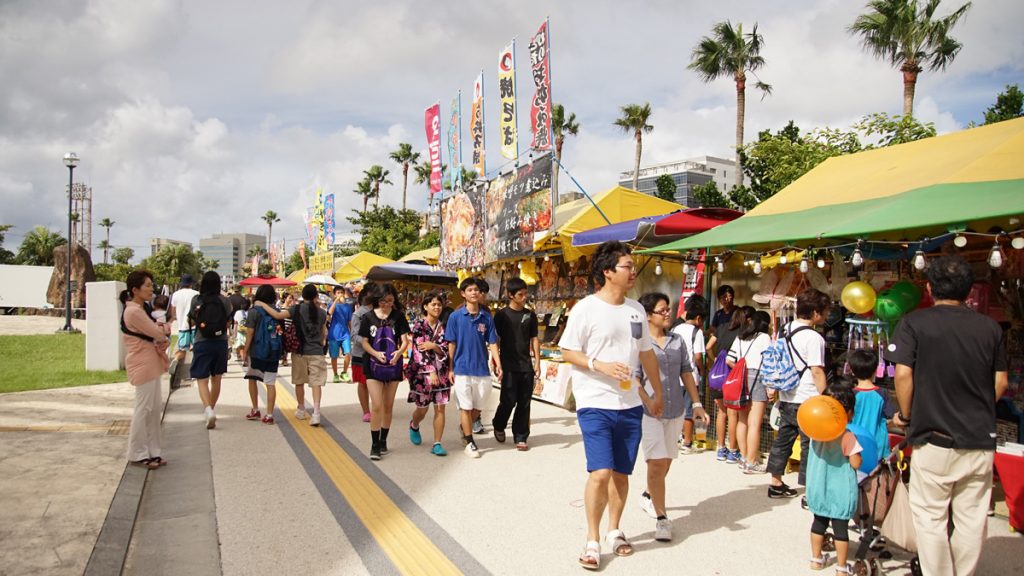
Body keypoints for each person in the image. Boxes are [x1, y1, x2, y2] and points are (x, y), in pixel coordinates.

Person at [885, 254, 1008, 576]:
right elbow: (1000, 382)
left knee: (930, 517)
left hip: (933, 437)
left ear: (928, 288)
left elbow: (902, 375)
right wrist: (979, 404)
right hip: (980, 437)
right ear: (969, 290)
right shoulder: (990, 328)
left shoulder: (914, 323)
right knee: (972, 517)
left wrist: (906, 414)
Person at [558, 240, 664, 570]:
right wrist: (598, 365)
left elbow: (646, 353)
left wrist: (656, 392)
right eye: (627, 266)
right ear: (607, 271)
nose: (633, 271)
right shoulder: (586, 308)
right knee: (600, 472)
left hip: (629, 403)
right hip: (594, 402)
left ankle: (614, 530)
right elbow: (566, 351)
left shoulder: (635, 310)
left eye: (633, 266)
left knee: (620, 473)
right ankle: (592, 539)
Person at [635, 292, 707, 543]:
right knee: (655, 462)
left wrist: (697, 404)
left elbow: (686, 372)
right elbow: (634, 379)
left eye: (668, 309)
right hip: (649, 413)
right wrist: (648, 399)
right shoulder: (640, 344)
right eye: (662, 310)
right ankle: (662, 518)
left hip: (676, 409)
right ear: (648, 316)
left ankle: (648, 494)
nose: (668, 314)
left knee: (666, 460)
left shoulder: (677, 340)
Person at [766, 288, 830, 499]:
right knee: (810, 445)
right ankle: (810, 491)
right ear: (815, 313)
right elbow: (817, 370)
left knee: (783, 439)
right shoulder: (814, 338)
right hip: (808, 398)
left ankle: (776, 482)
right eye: (825, 311)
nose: (827, 315)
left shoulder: (784, 330)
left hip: (787, 396)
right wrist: (826, 397)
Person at [806, 379, 863, 574]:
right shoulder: (847, 436)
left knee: (818, 524)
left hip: (819, 487)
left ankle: (815, 558)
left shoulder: (815, 433)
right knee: (841, 531)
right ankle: (840, 567)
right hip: (840, 491)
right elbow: (856, 463)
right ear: (847, 412)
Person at [445, 277, 502, 459]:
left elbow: (492, 342)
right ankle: (470, 441)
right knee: (466, 407)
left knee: (478, 406)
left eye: (476, 290)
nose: (474, 293)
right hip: (461, 369)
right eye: (469, 290)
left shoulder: (486, 316)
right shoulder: (455, 317)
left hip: (482, 369)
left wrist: (498, 364)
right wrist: (450, 367)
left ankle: (465, 426)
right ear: (463, 294)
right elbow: (451, 344)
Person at [120, 269, 170, 469]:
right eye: (147, 286)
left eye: (151, 285)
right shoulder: (134, 311)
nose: (151, 289)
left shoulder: (141, 309)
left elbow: (159, 331)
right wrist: (163, 332)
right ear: (135, 289)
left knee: (153, 409)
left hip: (150, 362)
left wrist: (162, 332)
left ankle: (152, 451)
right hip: (143, 363)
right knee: (144, 409)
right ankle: (138, 452)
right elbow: (157, 332)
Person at [359, 283, 411, 461]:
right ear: (376, 300)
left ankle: (383, 440)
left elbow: (405, 340)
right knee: (377, 405)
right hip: (373, 365)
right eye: (382, 301)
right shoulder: (367, 317)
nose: (386, 304)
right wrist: (375, 354)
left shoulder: (399, 316)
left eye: (390, 301)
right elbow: (364, 342)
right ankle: (374, 444)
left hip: (394, 365)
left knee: (388, 406)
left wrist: (399, 353)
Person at [492, 277, 540, 451]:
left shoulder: (530, 315)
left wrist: (537, 362)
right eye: (520, 294)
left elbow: (534, 338)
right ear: (510, 295)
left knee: (524, 402)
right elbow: (494, 340)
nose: (524, 297)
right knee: (508, 400)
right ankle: (498, 423)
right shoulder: (501, 315)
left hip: (526, 365)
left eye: (526, 293)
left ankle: (521, 436)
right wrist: (496, 361)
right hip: (508, 364)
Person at [406, 290, 452, 456]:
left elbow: (447, 348)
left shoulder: (444, 327)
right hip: (422, 374)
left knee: (440, 408)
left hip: (442, 373)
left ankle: (437, 443)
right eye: (433, 304)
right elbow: (418, 351)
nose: (437, 307)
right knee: (422, 409)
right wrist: (430, 371)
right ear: (425, 306)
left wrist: (435, 347)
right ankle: (414, 424)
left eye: (439, 304)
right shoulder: (419, 326)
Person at [728, 310, 773, 474]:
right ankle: (752, 462)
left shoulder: (740, 337)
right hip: (758, 377)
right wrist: (770, 386)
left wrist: (740, 370)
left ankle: (745, 457)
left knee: (743, 420)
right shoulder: (764, 338)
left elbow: (730, 359)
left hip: (741, 377)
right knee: (755, 422)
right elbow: (769, 362)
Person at [187, 271, 233, 430]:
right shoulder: (225, 301)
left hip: (202, 342)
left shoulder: (196, 300)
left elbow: (192, 320)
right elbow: (228, 323)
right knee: (217, 379)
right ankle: (211, 409)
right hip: (220, 343)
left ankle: (207, 410)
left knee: (202, 379)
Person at [671, 295, 709, 454]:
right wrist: (702, 369)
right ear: (699, 318)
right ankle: (687, 442)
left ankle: (678, 438)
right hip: (691, 376)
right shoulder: (697, 332)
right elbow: (698, 356)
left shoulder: (675, 328)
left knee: (678, 409)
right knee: (690, 409)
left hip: (675, 375)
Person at [242, 285, 281, 425]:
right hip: (273, 350)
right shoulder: (277, 311)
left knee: (252, 379)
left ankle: (255, 409)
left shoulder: (253, 312)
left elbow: (250, 333)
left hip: (257, 351)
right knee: (270, 382)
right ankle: (269, 415)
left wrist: (245, 351)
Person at [848, 348, 892, 466]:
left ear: (852, 370)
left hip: (854, 446)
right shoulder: (882, 393)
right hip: (877, 446)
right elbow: (890, 418)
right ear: (875, 370)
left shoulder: (850, 394)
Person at [350, 282, 377, 423]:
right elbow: (354, 335)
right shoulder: (358, 314)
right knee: (363, 382)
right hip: (361, 354)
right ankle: (366, 411)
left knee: (377, 382)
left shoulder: (381, 311)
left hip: (377, 354)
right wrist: (369, 342)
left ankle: (377, 408)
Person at [167, 273, 199, 377]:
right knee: (196, 351)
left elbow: (173, 311)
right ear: (191, 284)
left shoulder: (175, 294)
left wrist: (175, 318)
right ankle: (194, 372)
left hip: (182, 327)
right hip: (194, 326)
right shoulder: (196, 293)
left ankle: (176, 359)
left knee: (182, 349)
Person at [472, 277, 492, 435]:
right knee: (470, 393)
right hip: (464, 361)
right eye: (482, 293)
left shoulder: (487, 312)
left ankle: (474, 418)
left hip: (481, 358)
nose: (483, 296)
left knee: (481, 392)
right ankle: (470, 422)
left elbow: (491, 338)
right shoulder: (460, 311)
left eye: (483, 293)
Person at [328, 286, 354, 383]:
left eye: (341, 292)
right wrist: (336, 301)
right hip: (333, 334)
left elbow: (349, 321)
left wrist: (352, 333)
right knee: (334, 356)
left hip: (345, 334)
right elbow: (329, 313)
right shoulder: (331, 304)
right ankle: (335, 374)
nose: (340, 294)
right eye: (338, 292)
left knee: (347, 353)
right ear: (335, 294)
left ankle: (344, 372)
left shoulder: (347, 306)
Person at [232, 298, 250, 363]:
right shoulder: (251, 312)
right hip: (248, 332)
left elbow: (235, 324)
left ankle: (243, 358)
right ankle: (245, 359)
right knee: (246, 346)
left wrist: (234, 333)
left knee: (240, 346)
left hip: (240, 331)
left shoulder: (238, 312)